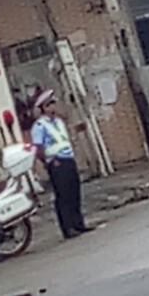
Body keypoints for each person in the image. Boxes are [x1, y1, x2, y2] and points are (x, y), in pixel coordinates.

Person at [31, 90, 93, 240]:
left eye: (53, 103)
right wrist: (49, 161)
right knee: (63, 195)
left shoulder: (59, 122)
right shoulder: (39, 126)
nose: (52, 107)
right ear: (42, 109)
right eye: (48, 105)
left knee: (74, 192)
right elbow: (38, 148)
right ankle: (68, 228)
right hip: (56, 162)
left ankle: (78, 223)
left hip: (68, 159)